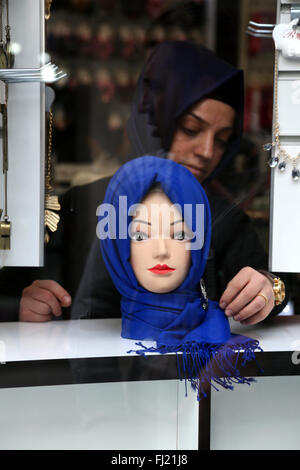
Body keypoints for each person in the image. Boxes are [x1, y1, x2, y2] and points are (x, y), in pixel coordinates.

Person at [19, 41, 288, 325]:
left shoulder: (225, 220)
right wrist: (31, 302)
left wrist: (270, 288)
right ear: (155, 122)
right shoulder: (82, 205)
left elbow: (274, 285)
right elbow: (28, 286)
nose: (207, 151)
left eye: (222, 140)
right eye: (191, 130)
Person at [97, 155, 261, 399]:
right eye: (141, 236)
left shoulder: (225, 346)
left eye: (179, 234)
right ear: (117, 246)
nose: (162, 250)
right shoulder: (93, 332)